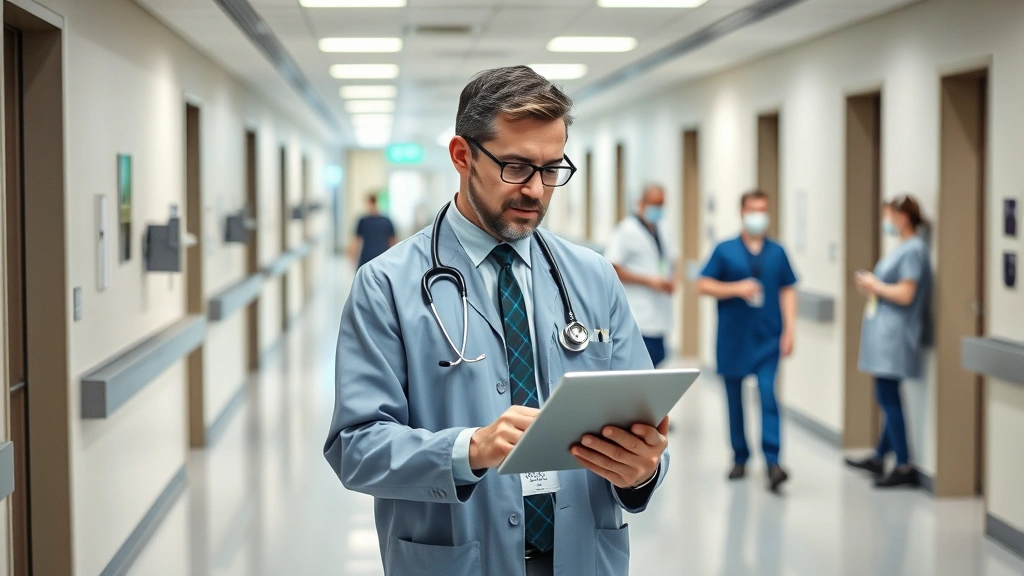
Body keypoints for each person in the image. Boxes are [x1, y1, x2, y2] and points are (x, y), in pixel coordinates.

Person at [324, 66, 670, 576]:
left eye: (552, 169)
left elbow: (643, 425)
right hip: (458, 559)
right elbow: (356, 447)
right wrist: (469, 449)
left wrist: (641, 472)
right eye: (516, 166)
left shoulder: (593, 277)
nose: (536, 190)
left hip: (585, 558)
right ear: (463, 156)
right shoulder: (387, 284)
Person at [697, 190, 797, 492]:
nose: (758, 216)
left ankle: (773, 461)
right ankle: (740, 456)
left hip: (768, 338)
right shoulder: (725, 250)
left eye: (763, 209)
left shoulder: (777, 252)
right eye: (753, 210)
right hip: (733, 338)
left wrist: (790, 331)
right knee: (734, 398)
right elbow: (703, 284)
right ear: (742, 212)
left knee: (768, 394)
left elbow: (788, 289)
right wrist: (736, 288)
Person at [846, 194, 931, 488]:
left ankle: (904, 464)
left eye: (889, 216)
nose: (887, 223)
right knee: (886, 394)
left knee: (887, 395)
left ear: (903, 217)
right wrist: (874, 287)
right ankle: (881, 455)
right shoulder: (904, 249)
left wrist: (875, 286)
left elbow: (906, 294)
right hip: (886, 330)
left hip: (896, 334)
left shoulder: (913, 250)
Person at [604, 184, 676, 367]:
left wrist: (673, 279)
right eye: (654, 204)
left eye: (661, 204)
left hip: (659, 312)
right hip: (638, 313)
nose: (658, 209)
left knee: (658, 360)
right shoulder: (626, 230)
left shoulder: (663, 229)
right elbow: (611, 267)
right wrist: (647, 280)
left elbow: (671, 260)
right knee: (641, 366)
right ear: (641, 203)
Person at [349, 193, 396, 268]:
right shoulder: (364, 221)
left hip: (379, 258)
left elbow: (392, 241)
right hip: (371, 258)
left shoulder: (385, 221)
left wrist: (352, 257)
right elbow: (356, 241)